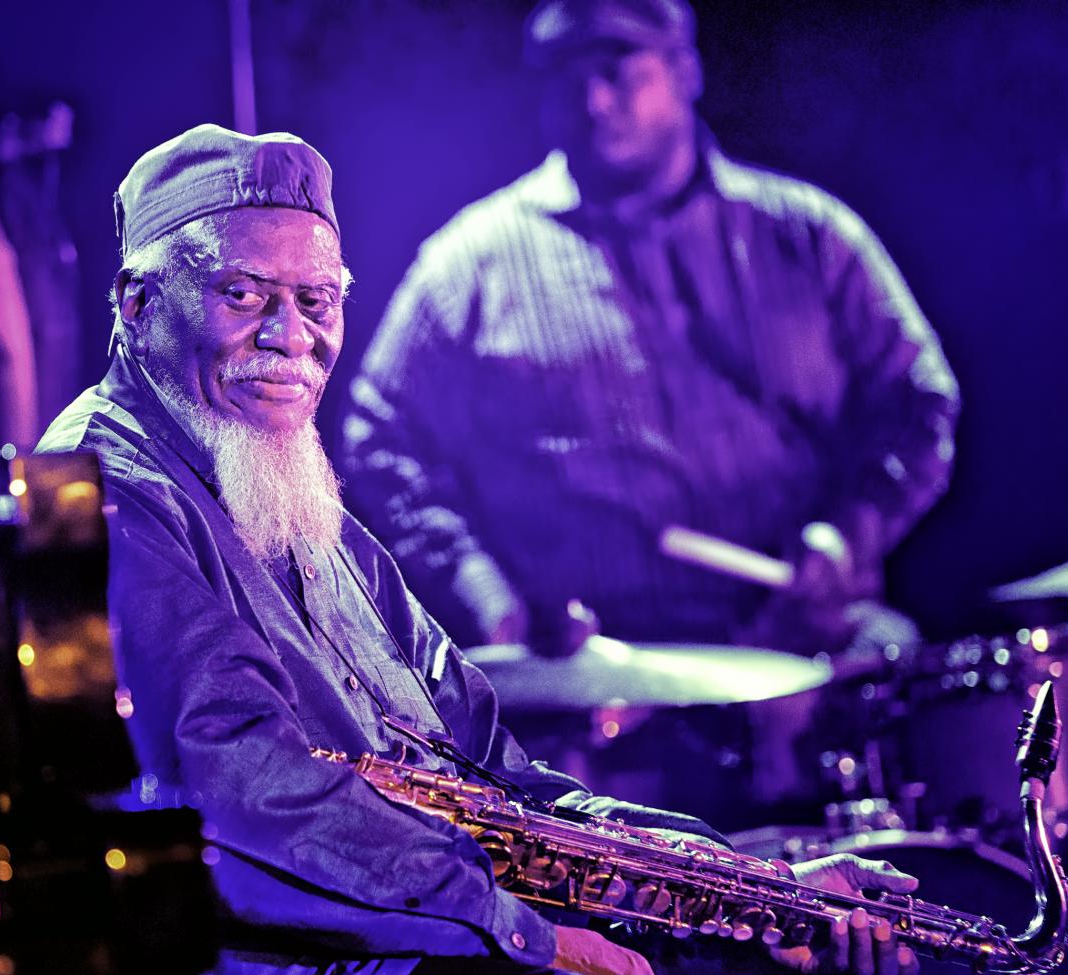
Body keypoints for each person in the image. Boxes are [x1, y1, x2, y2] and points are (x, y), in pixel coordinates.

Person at [36, 124, 919, 975]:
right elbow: (238, 791)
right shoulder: (106, 493)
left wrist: (751, 892)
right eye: (243, 294)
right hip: (287, 971)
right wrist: (525, 937)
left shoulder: (293, 500)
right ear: (137, 306)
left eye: (318, 301)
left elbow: (498, 779)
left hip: (417, 934)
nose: (291, 337)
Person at [341, 0, 960, 659]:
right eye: (567, 76)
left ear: (685, 71)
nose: (595, 101)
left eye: (617, 69)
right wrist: (488, 602)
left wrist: (851, 531)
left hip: (803, 642)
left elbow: (919, 401)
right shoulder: (467, 267)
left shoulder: (808, 236)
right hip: (596, 674)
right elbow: (380, 440)